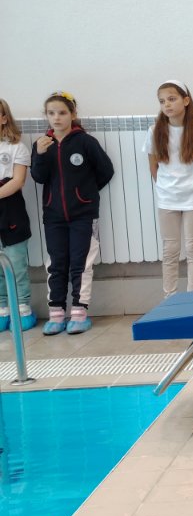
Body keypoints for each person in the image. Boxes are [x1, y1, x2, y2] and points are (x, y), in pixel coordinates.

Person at [30, 91, 115, 334]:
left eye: (62, 113)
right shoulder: (41, 144)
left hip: (83, 215)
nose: (56, 118)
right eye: (51, 113)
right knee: (56, 264)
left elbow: (106, 171)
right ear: (46, 116)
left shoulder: (85, 142)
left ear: (73, 114)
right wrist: (40, 156)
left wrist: (84, 195)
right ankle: (56, 313)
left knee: (81, 263)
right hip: (53, 216)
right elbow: (38, 177)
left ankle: (79, 312)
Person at [144, 81, 193, 296]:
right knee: (170, 249)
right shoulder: (154, 131)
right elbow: (153, 165)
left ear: (186, 101)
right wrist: (164, 186)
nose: (166, 104)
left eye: (172, 99)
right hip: (167, 198)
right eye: (162, 101)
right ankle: (170, 298)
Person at [0, 98, 36, 333]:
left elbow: (18, 180)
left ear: (4, 118)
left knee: (16, 263)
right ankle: (3, 308)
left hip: (10, 210)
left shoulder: (16, 148)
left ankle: (22, 308)